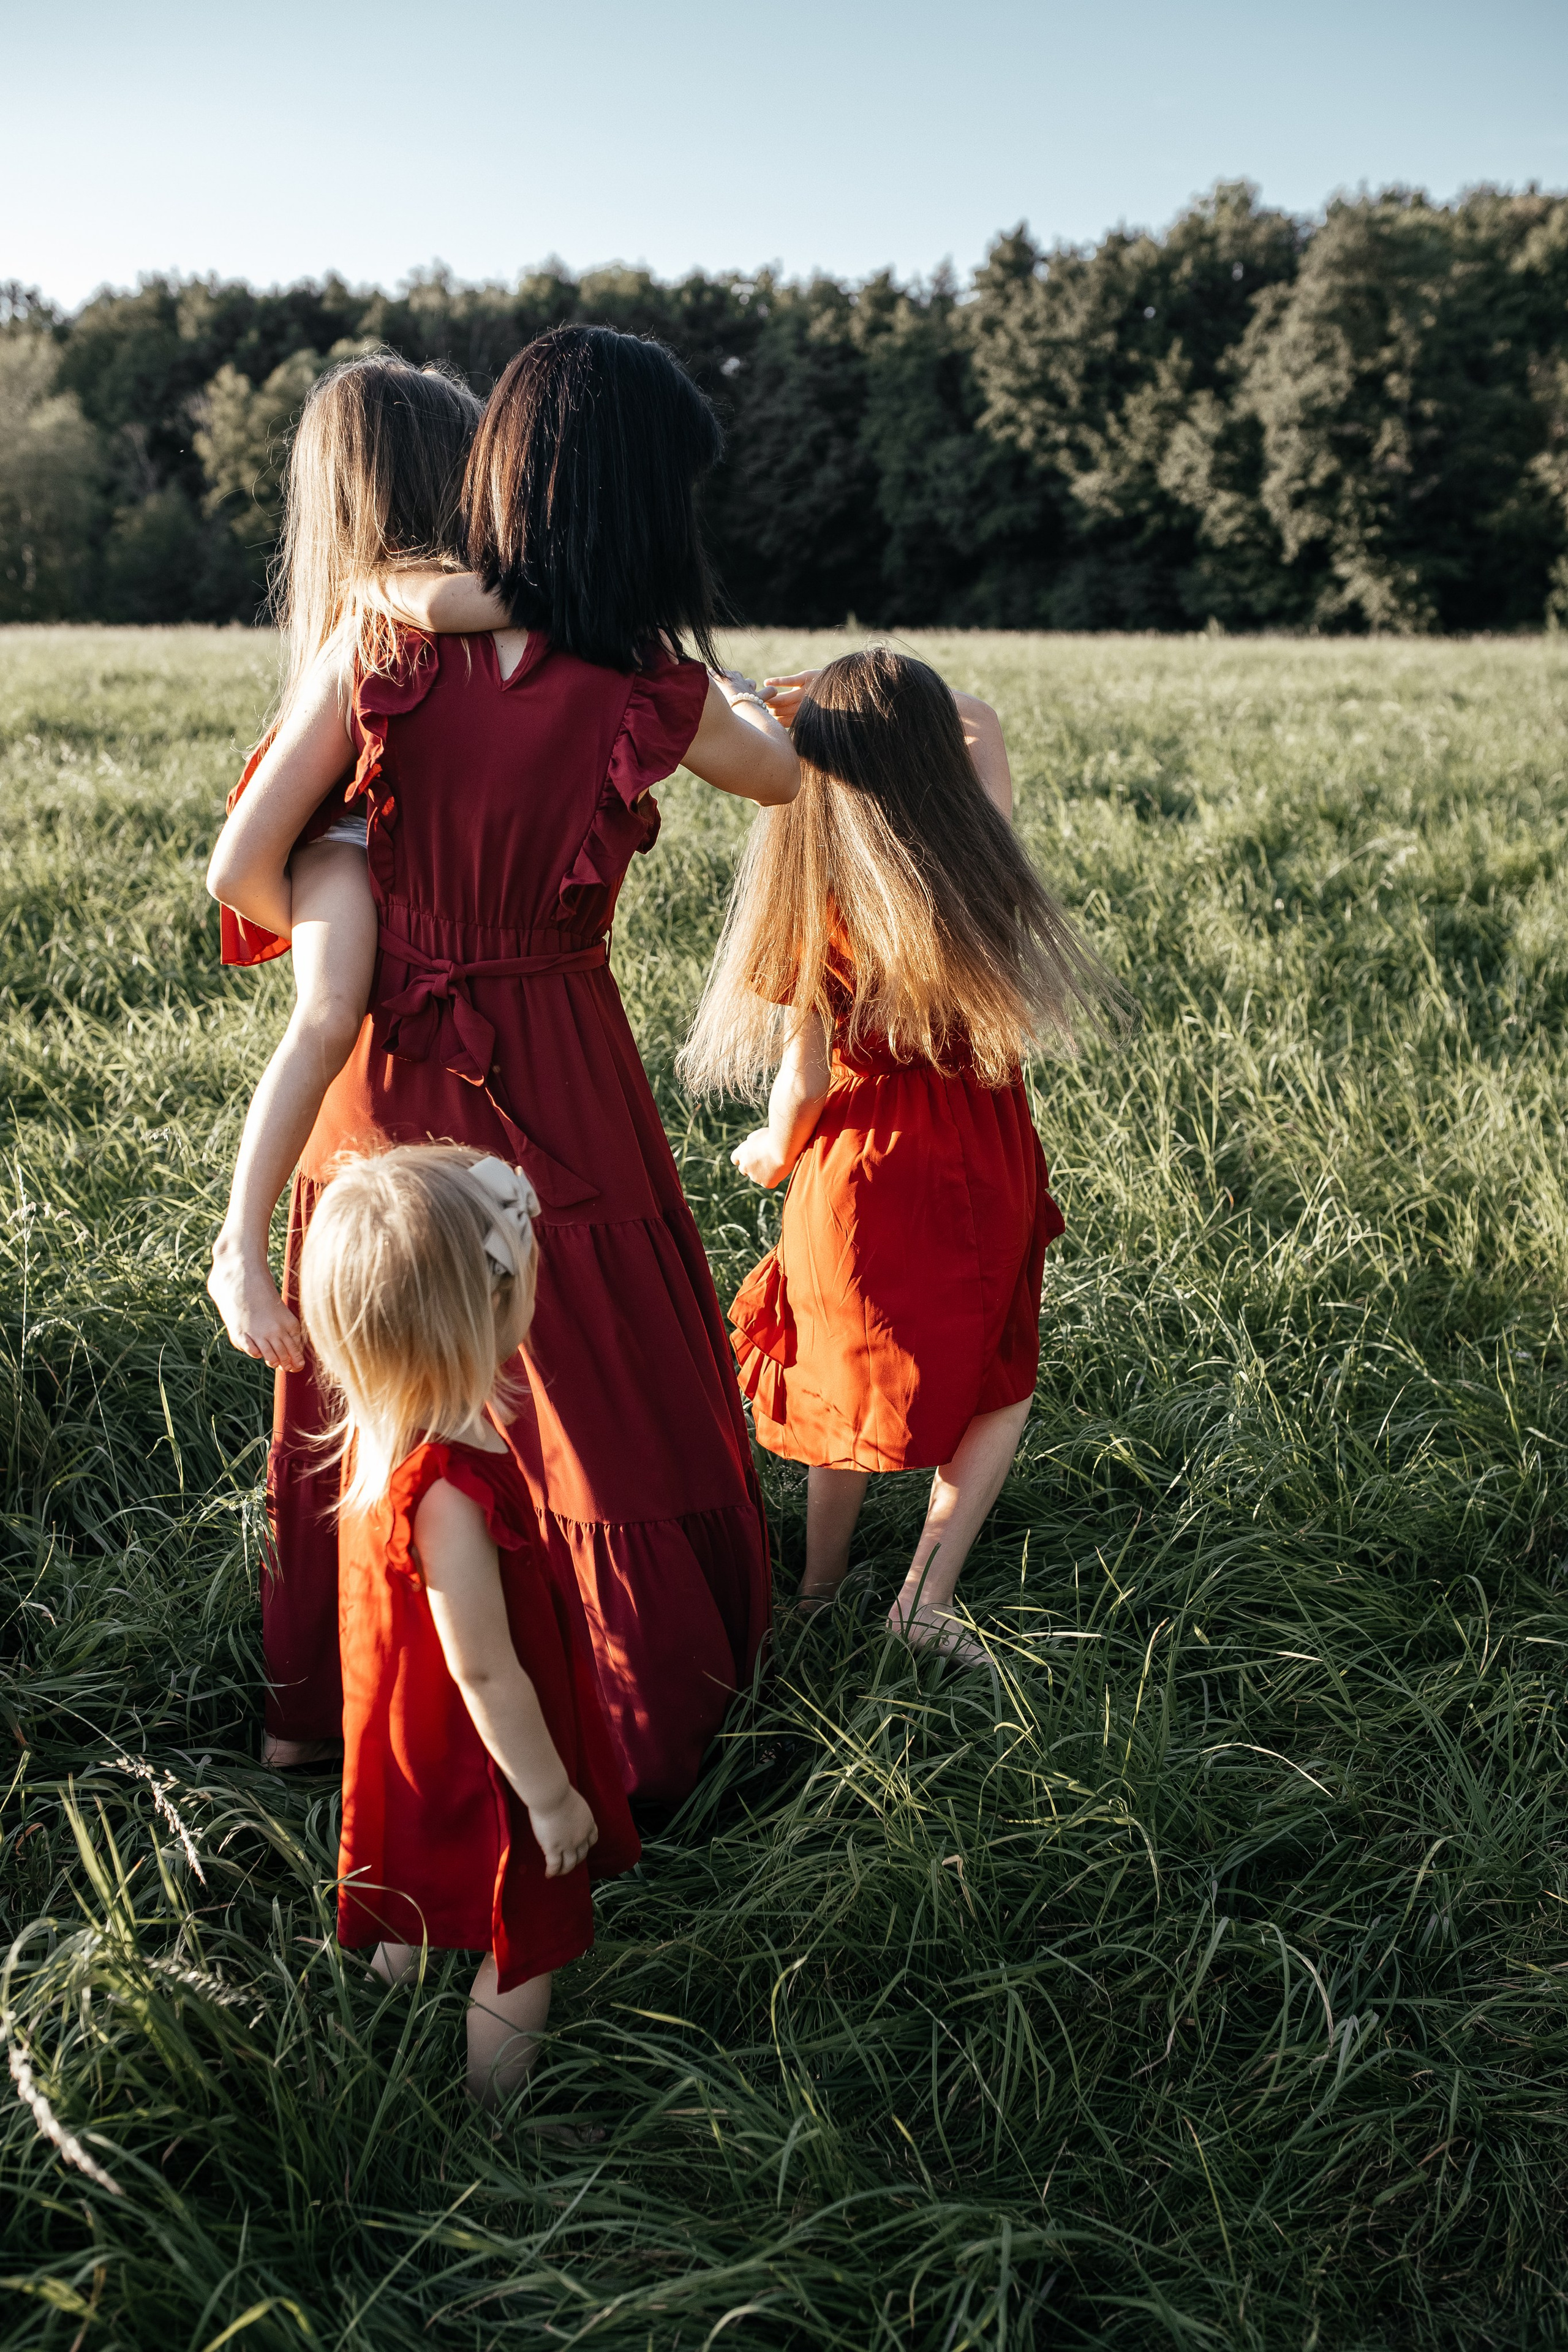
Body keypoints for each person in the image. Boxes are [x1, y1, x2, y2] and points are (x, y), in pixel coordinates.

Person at [207, 325, 799, 1795]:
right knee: (602, 1388)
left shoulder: (383, 637)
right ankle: (639, 1727)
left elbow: (237, 869)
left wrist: (356, 904)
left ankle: (340, 1713)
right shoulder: (642, 679)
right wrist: (763, 690)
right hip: (557, 1061)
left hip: (383, 1061)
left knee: (390, 1367)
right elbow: (785, 778)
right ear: (639, 502)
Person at [682, 649, 1121, 1660]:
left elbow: (803, 1082)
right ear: (931, 750)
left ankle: (818, 1588)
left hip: (855, 1171)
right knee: (999, 1379)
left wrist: (773, 1147)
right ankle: (925, 1598)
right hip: (983, 1154)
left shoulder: (813, 899)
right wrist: (893, 704)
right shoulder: (981, 869)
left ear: (821, 766)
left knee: (838, 1370)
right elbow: (984, 725)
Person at [299, 1142, 639, 2107]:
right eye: (522, 1275)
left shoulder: (392, 1432)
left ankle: (369, 2026)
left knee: (411, 1887)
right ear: (482, 1315)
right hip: (486, 1756)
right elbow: (486, 1671)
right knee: (524, 1942)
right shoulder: (447, 1486)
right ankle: (501, 2125)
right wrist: (551, 1799)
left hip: (410, 1738)